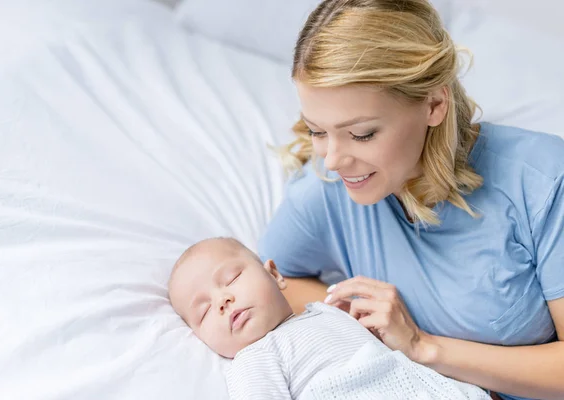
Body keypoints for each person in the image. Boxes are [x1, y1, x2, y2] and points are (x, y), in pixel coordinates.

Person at [258, 1, 564, 400]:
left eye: (362, 134)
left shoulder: (541, 181)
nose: (333, 159)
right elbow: (275, 282)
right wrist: (352, 319)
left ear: (434, 105)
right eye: (317, 131)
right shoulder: (324, 190)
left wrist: (421, 345)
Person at [167, 237, 491, 400]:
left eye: (232, 277)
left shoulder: (323, 310)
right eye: (205, 310)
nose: (222, 300)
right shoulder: (253, 359)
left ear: (275, 274)